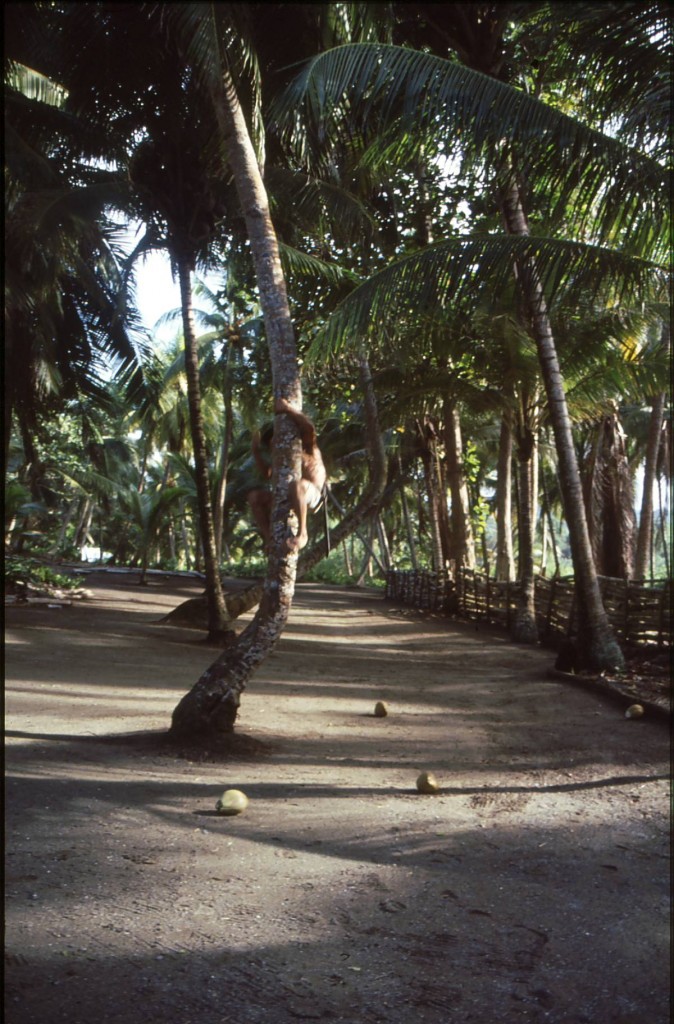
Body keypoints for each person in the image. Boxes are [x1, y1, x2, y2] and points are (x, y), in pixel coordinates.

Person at [247, 398, 327, 552]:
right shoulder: (280, 458)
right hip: (288, 496)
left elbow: (309, 428)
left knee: (297, 485)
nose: (275, 447)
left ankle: (302, 533)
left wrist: (288, 408)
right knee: (254, 497)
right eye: (272, 445)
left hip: (312, 495)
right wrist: (255, 451)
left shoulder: (309, 448)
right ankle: (269, 538)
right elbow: (267, 474)